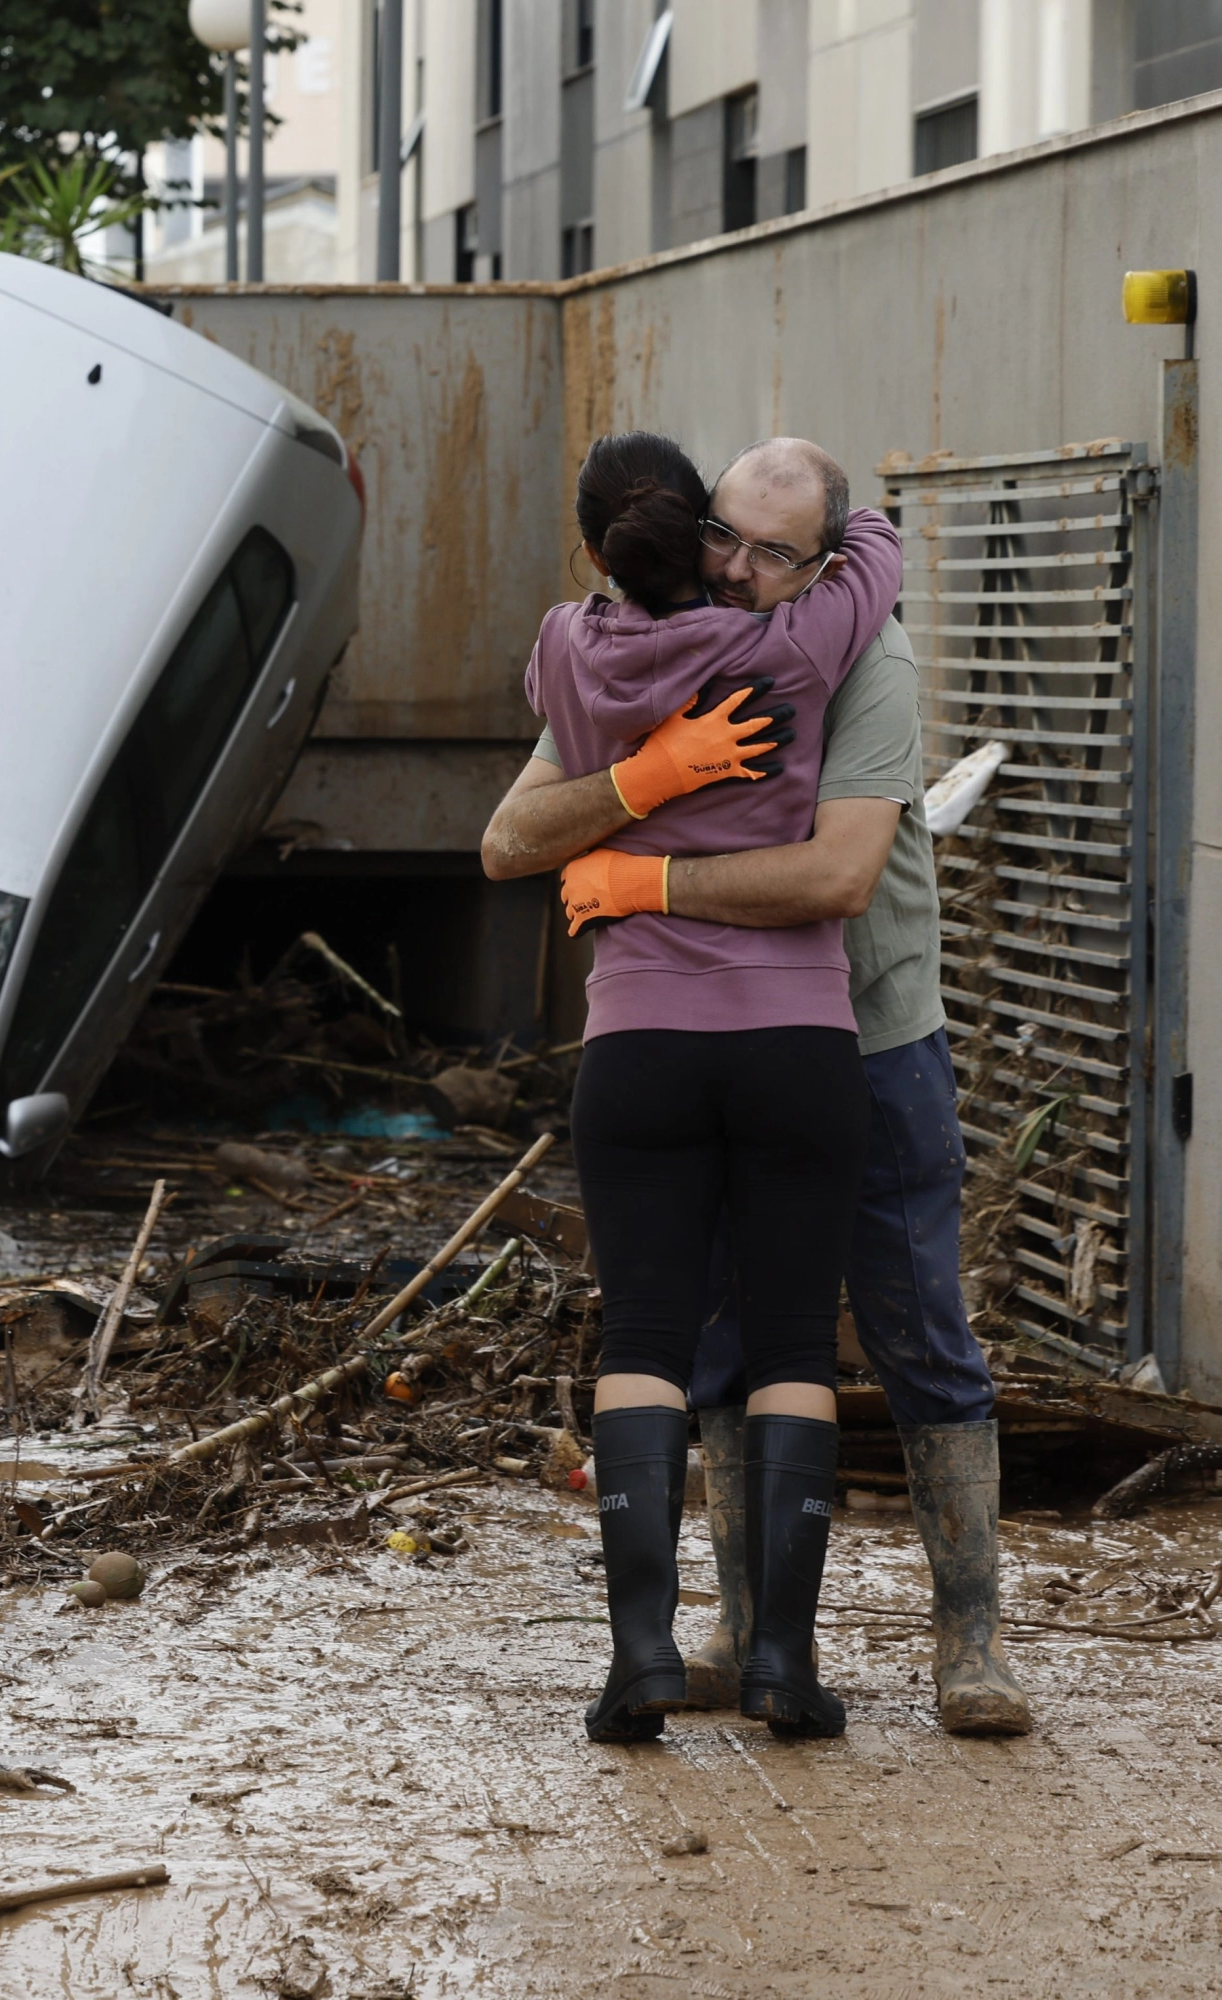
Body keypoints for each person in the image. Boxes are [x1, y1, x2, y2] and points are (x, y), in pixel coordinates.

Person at [484, 441, 1030, 1738]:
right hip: (746, 1045)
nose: (733, 566)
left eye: (770, 551)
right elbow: (514, 834)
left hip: (873, 1032)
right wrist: (645, 776)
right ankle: (742, 1628)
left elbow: (838, 877)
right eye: (720, 533)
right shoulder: (677, 635)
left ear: (825, 564)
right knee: (733, 1337)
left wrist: (645, 878)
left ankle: (971, 1640)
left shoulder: (865, 658)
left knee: (917, 1329)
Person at [516, 431, 899, 1745]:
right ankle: (783, 1669)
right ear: (698, 535)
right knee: (794, 1343)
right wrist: (858, 531)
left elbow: (530, 813)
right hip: (797, 1039)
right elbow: (880, 561)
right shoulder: (802, 647)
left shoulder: (568, 649)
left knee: (644, 1342)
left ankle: (643, 1665)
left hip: (640, 1043)